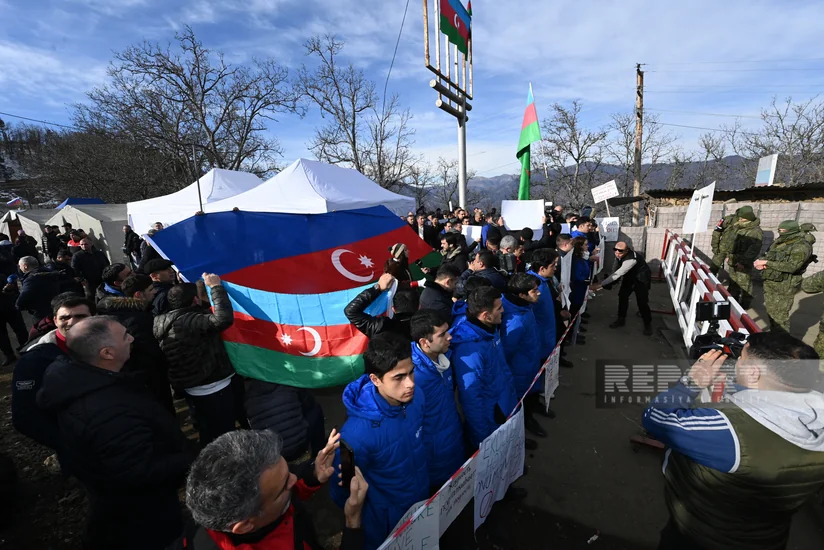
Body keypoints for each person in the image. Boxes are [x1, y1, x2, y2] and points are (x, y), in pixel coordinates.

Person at [643, 332, 824, 550]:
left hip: (700, 536)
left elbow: (655, 418)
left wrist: (689, 383)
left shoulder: (731, 432)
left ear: (754, 372)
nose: (737, 362)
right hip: (768, 538)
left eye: (742, 359)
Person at [37, 316, 196, 549]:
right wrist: (194, 457)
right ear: (107, 353)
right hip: (142, 515)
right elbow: (139, 471)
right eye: (124, 336)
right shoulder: (108, 414)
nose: (131, 338)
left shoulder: (85, 380)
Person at [179, 429, 368, 550]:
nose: (295, 479)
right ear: (245, 526)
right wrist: (353, 523)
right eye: (286, 483)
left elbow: (278, 491)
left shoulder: (234, 508)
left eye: (288, 471)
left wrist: (313, 475)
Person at [330, 332, 429, 550]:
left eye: (412, 372)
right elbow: (343, 491)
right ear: (375, 379)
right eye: (399, 377)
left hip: (420, 503)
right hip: (385, 523)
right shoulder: (352, 437)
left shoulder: (417, 396)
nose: (411, 383)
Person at [154, 275, 248, 446]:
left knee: (208, 427)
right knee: (222, 432)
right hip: (212, 386)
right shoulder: (188, 321)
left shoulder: (163, 320)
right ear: (195, 300)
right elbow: (222, 319)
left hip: (193, 386)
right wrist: (216, 288)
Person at [11, 293, 92, 456]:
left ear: (94, 318)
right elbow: (25, 416)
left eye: (81, 316)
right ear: (55, 320)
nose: (73, 322)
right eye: (65, 317)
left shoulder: (110, 342)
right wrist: (67, 445)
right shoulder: (34, 360)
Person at [449, 287, 519, 450]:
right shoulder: (469, 351)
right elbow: (471, 399)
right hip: (493, 418)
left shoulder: (488, 330)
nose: (504, 310)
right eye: (499, 308)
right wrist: (483, 440)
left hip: (504, 405)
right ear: (485, 315)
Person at [97, 273, 174, 413]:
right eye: (151, 289)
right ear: (139, 295)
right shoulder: (138, 319)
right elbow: (151, 351)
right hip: (150, 377)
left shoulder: (120, 313)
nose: (155, 292)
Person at [410, 309, 466, 488]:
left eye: (447, 331)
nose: (449, 337)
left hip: (453, 439)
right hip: (434, 454)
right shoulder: (413, 378)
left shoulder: (444, 357)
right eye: (442, 334)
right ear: (424, 342)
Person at [500, 274, 546, 437]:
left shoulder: (524, 307)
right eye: (534, 291)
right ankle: (522, 433)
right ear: (521, 295)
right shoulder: (514, 322)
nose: (539, 293)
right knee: (519, 407)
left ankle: (529, 421)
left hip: (529, 366)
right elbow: (506, 354)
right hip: (520, 374)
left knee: (529, 399)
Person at [754, 220, 812, 332]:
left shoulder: (801, 246)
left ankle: (782, 342)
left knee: (780, 317)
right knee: (771, 313)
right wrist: (762, 262)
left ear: (792, 231)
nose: (781, 232)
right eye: (780, 230)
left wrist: (767, 263)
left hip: (785, 285)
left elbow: (791, 267)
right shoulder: (780, 241)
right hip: (771, 281)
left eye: (784, 230)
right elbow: (770, 255)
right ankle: (774, 336)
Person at [591, 241, 653, 336]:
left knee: (642, 302)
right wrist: (610, 282)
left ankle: (648, 324)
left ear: (626, 251)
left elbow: (619, 273)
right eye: (615, 250)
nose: (617, 253)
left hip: (641, 279)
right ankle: (621, 319)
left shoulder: (631, 260)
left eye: (620, 252)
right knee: (622, 297)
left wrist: (601, 285)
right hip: (629, 278)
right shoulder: (619, 254)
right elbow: (615, 269)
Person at [344, 273, 419, 340]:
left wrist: (377, 288)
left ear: (393, 309)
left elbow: (350, 311)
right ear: (419, 307)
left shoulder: (382, 327)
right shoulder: (427, 326)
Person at [725, 206, 763, 309]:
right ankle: (732, 301)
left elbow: (753, 251)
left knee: (744, 284)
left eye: (742, 218)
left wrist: (742, 262)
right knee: (733, 282)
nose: (740, 220)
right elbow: (732, 244)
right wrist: (729, 256)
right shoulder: (739, 227)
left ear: (749, 218)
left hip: (743, 263)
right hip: (734, 260)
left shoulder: (755, 232)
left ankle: (744, 305)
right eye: (739, 218)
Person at [16, 256, 62, 326]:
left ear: (25, 266)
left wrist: (18, 306)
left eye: (20, 266)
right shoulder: (50, 273)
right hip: (55, 305)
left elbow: (25, 295)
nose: (19, 268)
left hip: (40, 311)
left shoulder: (31, 279)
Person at [710, 209, 740, 276]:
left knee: (735, 272)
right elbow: (716, 232)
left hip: (736, 251)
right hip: (722, 248)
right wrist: (715, 246)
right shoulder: (728, 219)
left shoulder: (749, 223)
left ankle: (732, 286)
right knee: (713, 267)